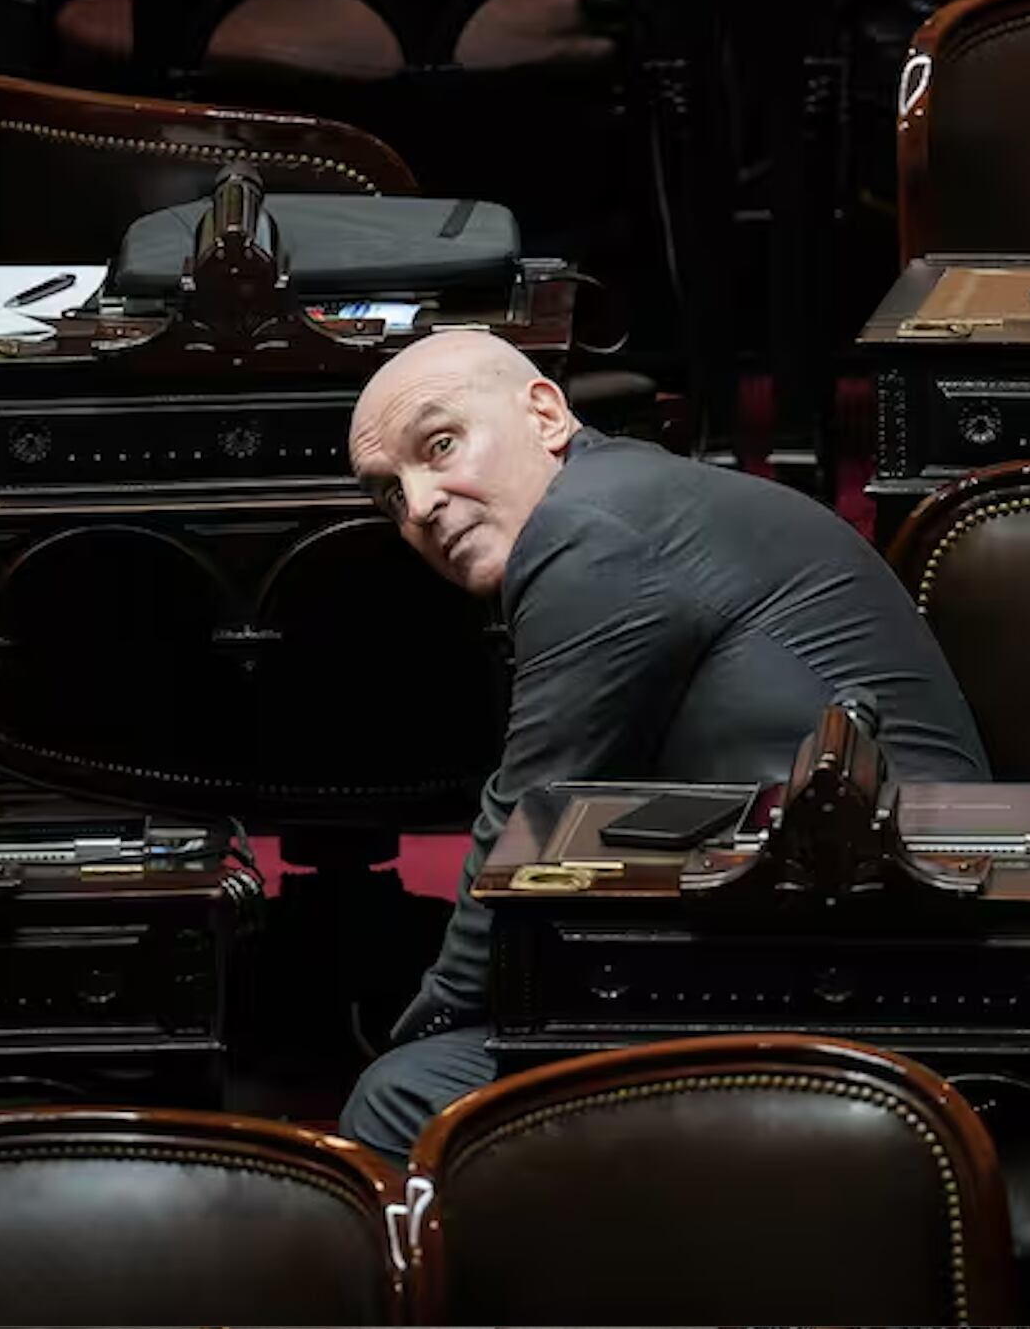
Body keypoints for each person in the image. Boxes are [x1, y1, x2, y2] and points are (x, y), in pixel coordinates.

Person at [337, 330, 990, 1162]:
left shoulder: (592, 531)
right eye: (390, 494)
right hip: (829, 923)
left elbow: (527, 817)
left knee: (404, 1099)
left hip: (881, 957)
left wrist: (429, 1022)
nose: (421, 504)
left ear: (544, 414)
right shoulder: (627, 496)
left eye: (440, 446)